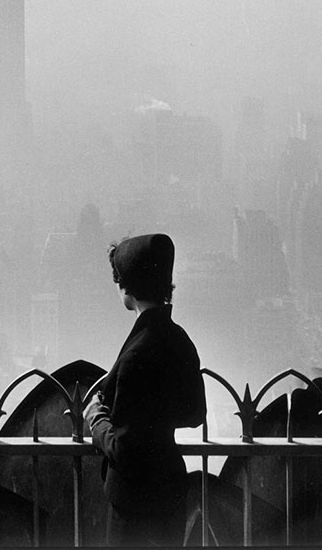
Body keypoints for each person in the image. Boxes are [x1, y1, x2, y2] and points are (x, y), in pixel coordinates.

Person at [83, 233, 206, 547]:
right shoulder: (180, 340)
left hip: (134, 503)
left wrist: (97, 419)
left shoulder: (138, 353)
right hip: (171, 491)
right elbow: (195, 414)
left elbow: (125, 450)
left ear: (126, 288)